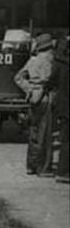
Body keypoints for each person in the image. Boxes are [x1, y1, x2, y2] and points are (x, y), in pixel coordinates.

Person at [14, 33, 56, 176]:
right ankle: (43, 168)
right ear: (50, 46)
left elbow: (18, 77)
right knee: (46, 134)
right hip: (46, 97)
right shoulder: (51, 60)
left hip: (33, 98)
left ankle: (31, 165)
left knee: (34, 131)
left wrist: (30, 89)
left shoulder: (33, 60)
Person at [54, 34, 69, 184]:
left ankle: (63, 171)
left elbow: (53, 81)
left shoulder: (60, 64)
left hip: (64, 107)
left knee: (65, 141)